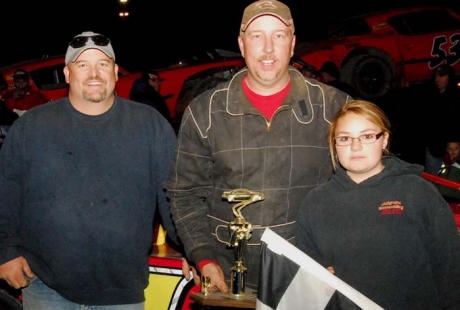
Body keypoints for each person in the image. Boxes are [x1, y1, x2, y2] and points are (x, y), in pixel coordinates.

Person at [164, 0, 352, 293]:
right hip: (226, 280)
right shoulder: (205, 111)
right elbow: (184, 193)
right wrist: (201, 254)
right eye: (256, 36)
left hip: (307, 277)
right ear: (241, 44)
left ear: (292, 44)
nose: (267, 48)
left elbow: (361, 188)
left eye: (278, 36)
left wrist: (342, 253)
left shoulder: (335, 108)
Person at [0, 31, 178, 309]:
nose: (94, 73)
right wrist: (5, 252)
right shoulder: (32, 126)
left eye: (103, 64)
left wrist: (193, 251)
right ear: (67, 74)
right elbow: (6, 190)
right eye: (82, 65)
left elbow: (174, 195)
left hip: (122, 290)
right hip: (46, 287)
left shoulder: (149, 125)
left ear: (116, 72)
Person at [296, 99, 460, 309]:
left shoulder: (418, 193)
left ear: (384, 140)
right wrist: (316, 280)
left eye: (367, 136)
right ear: (334, 144)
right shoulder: (316, 203)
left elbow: (451, 268)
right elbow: (306, 281)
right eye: (345, 138)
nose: (356, 146)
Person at [424, 64, 460, 175]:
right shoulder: (430, 94)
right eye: (437, 76)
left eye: (442, 76)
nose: (437, 80)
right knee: (433, 177)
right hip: (434, 146)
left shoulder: (456, 95)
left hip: (453, 146)